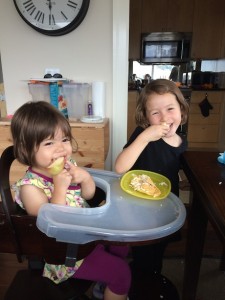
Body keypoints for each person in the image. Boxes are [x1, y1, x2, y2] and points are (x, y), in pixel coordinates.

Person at [11, 101, 131, 300]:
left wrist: (85, 178)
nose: (61, 149)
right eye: (49, 143)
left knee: (121, 244)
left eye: (64, 139)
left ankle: (103, 286)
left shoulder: (68, 166)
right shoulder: (30, 187)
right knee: (122, 273)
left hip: (86, 232)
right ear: (26, 149)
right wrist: (59, 188)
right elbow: (51, 224)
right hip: (65, 254)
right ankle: (112, 282)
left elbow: (88, 196)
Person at [115, 79, 189, 276]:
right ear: (146, 118)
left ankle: (151, 274)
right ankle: (138, 277)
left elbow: (171, 167)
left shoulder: (181, 141)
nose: (164, 117)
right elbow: (120, 167)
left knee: (159, 248)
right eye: (155, 112)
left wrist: (183, 180)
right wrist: (145, 136)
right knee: (143, 250)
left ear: (181, 110)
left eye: (170, 109)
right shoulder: (143, 135)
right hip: (140, 207)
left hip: (166, 205)